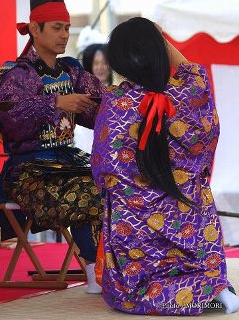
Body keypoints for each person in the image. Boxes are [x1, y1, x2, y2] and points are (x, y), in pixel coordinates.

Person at [91, 17, 239, 314]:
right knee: (195, 191)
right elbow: (192, 70)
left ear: (120, 60)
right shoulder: (188, 94)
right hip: (191, 224)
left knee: (125, 295)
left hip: (136, 230)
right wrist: (161, 39)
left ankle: (199, 293)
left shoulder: (116, 102)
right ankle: (214, 286)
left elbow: (103, 169)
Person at [0, 0, 105, 294]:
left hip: (67, 161)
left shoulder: (73, 70)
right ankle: (95, 270)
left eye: (67, 28)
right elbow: (9, 118)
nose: (65, 35)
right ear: (34, 29)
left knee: (108, 183)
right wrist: (56, 103)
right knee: (85, 193)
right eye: (57, 28)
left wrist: (111, 106)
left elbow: (99, 109)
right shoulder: (16, 74)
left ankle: (109, 265)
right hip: (27, 171)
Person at [74, 44, 111, 153]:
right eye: (96, 63)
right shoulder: (83, 93)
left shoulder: (118, 90)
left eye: (105, 63)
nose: (100, 67)